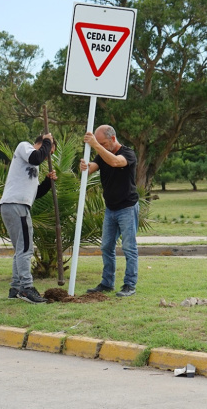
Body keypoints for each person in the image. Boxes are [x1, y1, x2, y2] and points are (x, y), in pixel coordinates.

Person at [80, 125, 139, 297]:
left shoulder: (128, 153)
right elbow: (91, 168)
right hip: (111, 209)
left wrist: (95, 145)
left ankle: (129, 285)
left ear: (113, 139)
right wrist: (84, 165)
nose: (101, 146)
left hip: (127, 207)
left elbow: (115, 161)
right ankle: (107, 283)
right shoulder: (102, 154)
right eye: (99, 144)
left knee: (129, 247)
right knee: (106, 247)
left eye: (104, 143)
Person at [0, 133, 57, 304]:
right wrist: (48, 141)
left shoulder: (33, 163)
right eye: (49, 152)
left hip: (15, 205)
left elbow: (35, 193)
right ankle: (26, 288)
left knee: (20, 249)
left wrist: (47, 182)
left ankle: (15, 288)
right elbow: (37, 157)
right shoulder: (25, 147)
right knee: (26, 249)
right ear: (41, 143)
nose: (48, 157)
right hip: (16, 205)